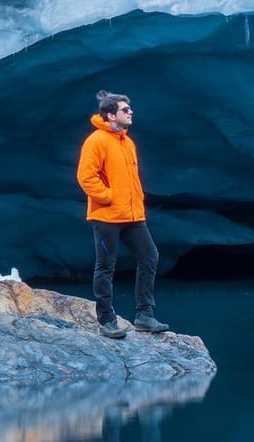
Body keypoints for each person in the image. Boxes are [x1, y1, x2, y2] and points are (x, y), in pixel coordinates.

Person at [77, 90, 169, 339]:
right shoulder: (96, 140)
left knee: (149, 256)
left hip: (132, 215)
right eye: (125, 110)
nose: (131, 113)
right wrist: (108, 197)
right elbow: (86, 176)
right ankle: (107, 320)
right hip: (106, 216)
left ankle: (144, 315)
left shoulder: (127, 142)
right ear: (110, 114)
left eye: (131, 109)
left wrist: (135, 201)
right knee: (106, 266)